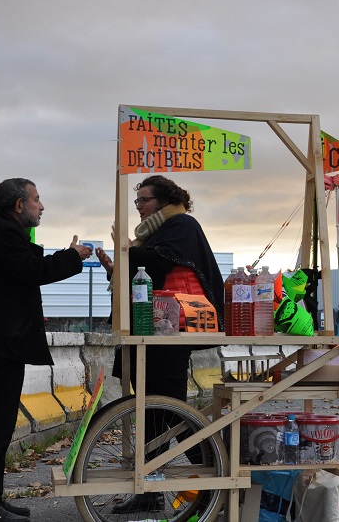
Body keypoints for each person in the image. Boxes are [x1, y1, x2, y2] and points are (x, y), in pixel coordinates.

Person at [0, 178, 92, 522]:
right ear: (19, 205)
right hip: (1, 343)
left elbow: (22, 268)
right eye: (36, 200)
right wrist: (72, 257)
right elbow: (33, 271)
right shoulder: (1, 232)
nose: (41, 206)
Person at [95, 175, 225, 514]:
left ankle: (212, 485)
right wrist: (117, 266)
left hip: (172, 331)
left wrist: (126, 249)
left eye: (143, 200)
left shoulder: (181, 224)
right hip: (152, 331)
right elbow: (145, 273)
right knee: (151, 413)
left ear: (164, 201)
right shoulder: (157, 233)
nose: (138, 207)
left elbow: (155, 264)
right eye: (136, 201)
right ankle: (151, 492)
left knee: (172, 411)